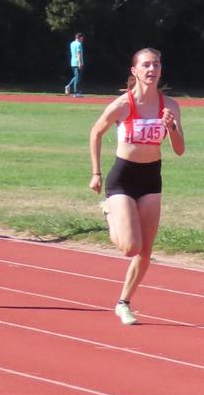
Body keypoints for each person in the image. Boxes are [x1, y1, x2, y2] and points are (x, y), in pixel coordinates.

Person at [88, 48, 186, 325]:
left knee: (145, 252)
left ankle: (124, 302)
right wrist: (96, 172)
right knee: (130, 247)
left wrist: (172, 128)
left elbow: (179, 150)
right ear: (135, 71)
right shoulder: (123, 104)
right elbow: (96, 131)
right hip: (123, 178)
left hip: (151, 179)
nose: (151, 69)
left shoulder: (170, 107)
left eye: (156, 64)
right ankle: (109, 211)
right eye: (146, 65)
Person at [64, 32, 84, 97]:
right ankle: (76, 92)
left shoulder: (72, 43)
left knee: (76, 76)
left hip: (72, 62)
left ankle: (68, 86)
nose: (82, 39)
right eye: (82, 38)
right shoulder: (79, 44)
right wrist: (80, 63)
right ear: (80, 37)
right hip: (77, 62)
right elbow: (79, 54)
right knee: (78, 77)